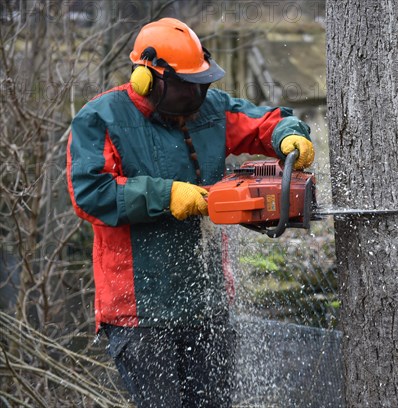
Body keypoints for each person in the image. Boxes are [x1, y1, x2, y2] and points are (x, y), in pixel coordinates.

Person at [66, 17, 314, 408]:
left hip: (206, 303)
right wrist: (166, 195)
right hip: (140, 314)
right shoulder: (101, 119)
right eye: (185, 86)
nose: (195, 94)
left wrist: (289, 134)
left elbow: (264, 123)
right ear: (149, 79)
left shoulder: (210, 109)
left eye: (200, 83)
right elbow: (89, 193)